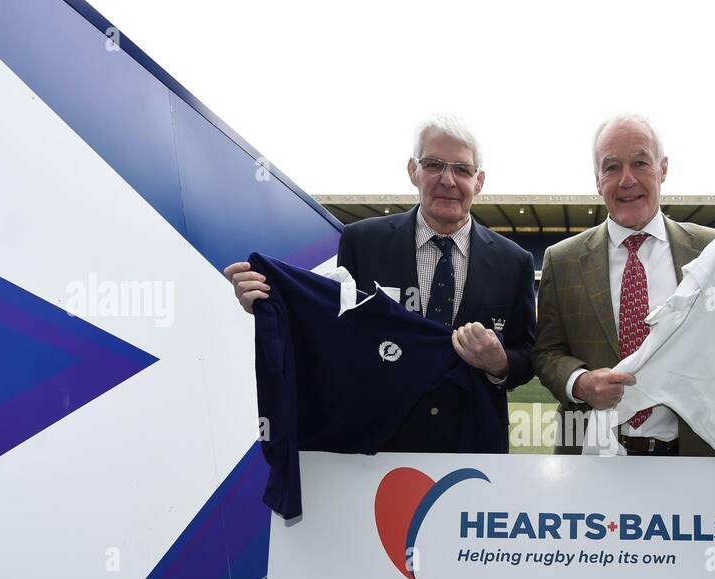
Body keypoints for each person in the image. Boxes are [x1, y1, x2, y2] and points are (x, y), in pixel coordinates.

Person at [224, 115, 536, 451]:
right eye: (433, 164)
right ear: (413, 170)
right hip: (380, 446)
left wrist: (499, 363)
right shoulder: (362, 241)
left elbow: (530, 356)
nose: (448, 180)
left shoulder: (514, 261)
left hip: (474, 446)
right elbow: (336, 334)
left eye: (462, 169)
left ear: (479, 180)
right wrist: (273, 303)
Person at [531, 113, 715, 456]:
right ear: (597, 180)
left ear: (663, 168)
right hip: (591, 454)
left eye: (640, 163)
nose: (627, 180)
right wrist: (579, 382)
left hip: (694, 456)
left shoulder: (713, 251)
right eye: (611, 168)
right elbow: (546, 352)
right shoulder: (561, 259)